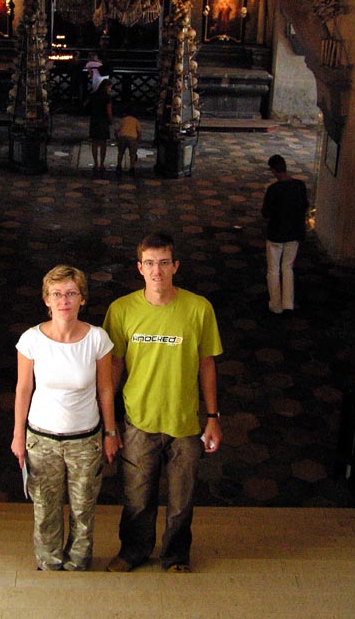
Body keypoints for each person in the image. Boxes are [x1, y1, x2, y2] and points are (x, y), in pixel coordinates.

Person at [103, 232, 223, 573]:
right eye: (151, 264)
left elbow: (207, 363)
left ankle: (175, 556)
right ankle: (134, 551)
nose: (158, 271)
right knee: (137, 497)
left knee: (181, 500)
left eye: (165, 263)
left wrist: (212, 416)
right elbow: (114, 365)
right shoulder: (122, 310)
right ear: (140, 268)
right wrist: (109, 423)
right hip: (139, 420)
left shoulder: (198, 308)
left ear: (176, 267)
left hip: (184, 421)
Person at [11, 265, 120, 571]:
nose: (64, 301)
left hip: (85, 441)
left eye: (71, 293)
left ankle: (78, 564)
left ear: (82, 299)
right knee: (45, 509)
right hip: (41, 439)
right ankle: (49, 563)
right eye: (57, 294)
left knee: (83, 510)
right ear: (46, 300)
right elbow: (23, 389)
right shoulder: (31, 339)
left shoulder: (98, 339)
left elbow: (105, 390)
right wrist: (18, 436)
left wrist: (110, 433)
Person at [261, 154, 309, 314]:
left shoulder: (274, 190)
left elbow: (266, 213)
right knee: (288, 268)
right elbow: (305, 206)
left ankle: (275, 304)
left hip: (276, 233)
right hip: (294, 233)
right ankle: (288, 302)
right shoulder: (300, 186)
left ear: (274, 171)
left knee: (273, 270)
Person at [88, 79, 112, 176]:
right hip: (103, 120)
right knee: (103, 143)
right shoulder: (107, 97)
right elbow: (109, 110)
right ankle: (102, 163)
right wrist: (110, 119)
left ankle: (96, 163)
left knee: (94, 142)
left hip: (94, 119)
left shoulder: (93, 95)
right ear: (107, 86)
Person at [115, 105, 142, 177]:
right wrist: (138, 141)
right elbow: (139, 132)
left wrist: (117, 138)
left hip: (123, 136)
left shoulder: (123, 120)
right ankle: (132, 167)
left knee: (121, 152)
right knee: (132, 154)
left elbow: (116, 129)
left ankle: (119, 166)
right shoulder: (136, 121)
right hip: (132, 137)